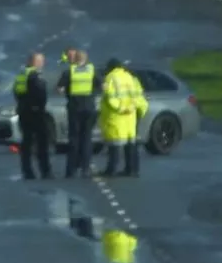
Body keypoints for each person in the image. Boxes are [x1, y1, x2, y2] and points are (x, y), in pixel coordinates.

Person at [55, 49, 102, 178]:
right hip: (89, 108)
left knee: (74, 139)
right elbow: (103, 86)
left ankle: (71, 170)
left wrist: (68, 92)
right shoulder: (92, 71)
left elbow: (59, 89)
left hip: (74, 109)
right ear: (86, 59)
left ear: (75, 59)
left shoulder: (69, 72)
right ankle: (85, 168)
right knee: (87, 139)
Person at [98, 58, 148, 178]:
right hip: (130, 116)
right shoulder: (129, 77)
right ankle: (131, 169)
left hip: (116, 115)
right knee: (130, 143)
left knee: (114, 143)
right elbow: (136, 95)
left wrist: (121, 108)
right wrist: (131, 108)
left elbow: (110, 98)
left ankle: (111, 170)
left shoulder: (110, 78)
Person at [13, 52, 53, 179]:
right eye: (40, 61)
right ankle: (45, 171)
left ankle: (27, 171)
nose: (42, 63)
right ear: (33, 62)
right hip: (36, 113)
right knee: (42, 142)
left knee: (27, 142)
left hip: (23, 111)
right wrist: (40, 107)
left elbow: (16, 92)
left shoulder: (21, 74)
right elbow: (40, 94)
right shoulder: (34, 76)